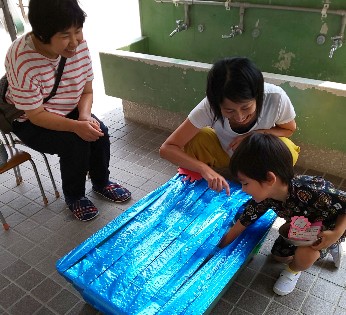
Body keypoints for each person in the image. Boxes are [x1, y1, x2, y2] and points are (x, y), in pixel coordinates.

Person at [3, 0, 131, 221]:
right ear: (42, 34)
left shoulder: (79, 45)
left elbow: (87, 91)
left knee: (99, 132)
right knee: (75, 143)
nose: (75, 42)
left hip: (68, 108)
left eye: (78, 31)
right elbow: (36, 115)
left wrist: (84, 117)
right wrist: (76, 127)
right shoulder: (21, 59)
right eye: (65, 35)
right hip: (30, 119)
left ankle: (101, 182)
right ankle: (75, 197)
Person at [219, 133, 346, 296]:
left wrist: (336, 233)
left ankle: (296, 269)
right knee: (278, 256)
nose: (243, 189)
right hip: (300, 227)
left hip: (326, 228)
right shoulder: (267, 196)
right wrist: (220, 246)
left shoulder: (313, 190)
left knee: (304, 255)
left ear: (269, 179)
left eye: (245, 183)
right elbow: (244, 220)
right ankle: (303, 255)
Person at [159, 57, 300, 196]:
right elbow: (167, 148)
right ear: (217, 104)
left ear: (258, 96)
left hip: (256, 160)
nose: (239, 117)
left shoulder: (276, 97)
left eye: (246, 107)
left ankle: (257, 183)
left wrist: (256, 135)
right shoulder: (209, 106)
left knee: (286, 150)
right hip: (226, 156)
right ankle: (221, 176)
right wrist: (203, 169)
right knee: (198, 138)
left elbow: (289, 129)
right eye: (229, 110)